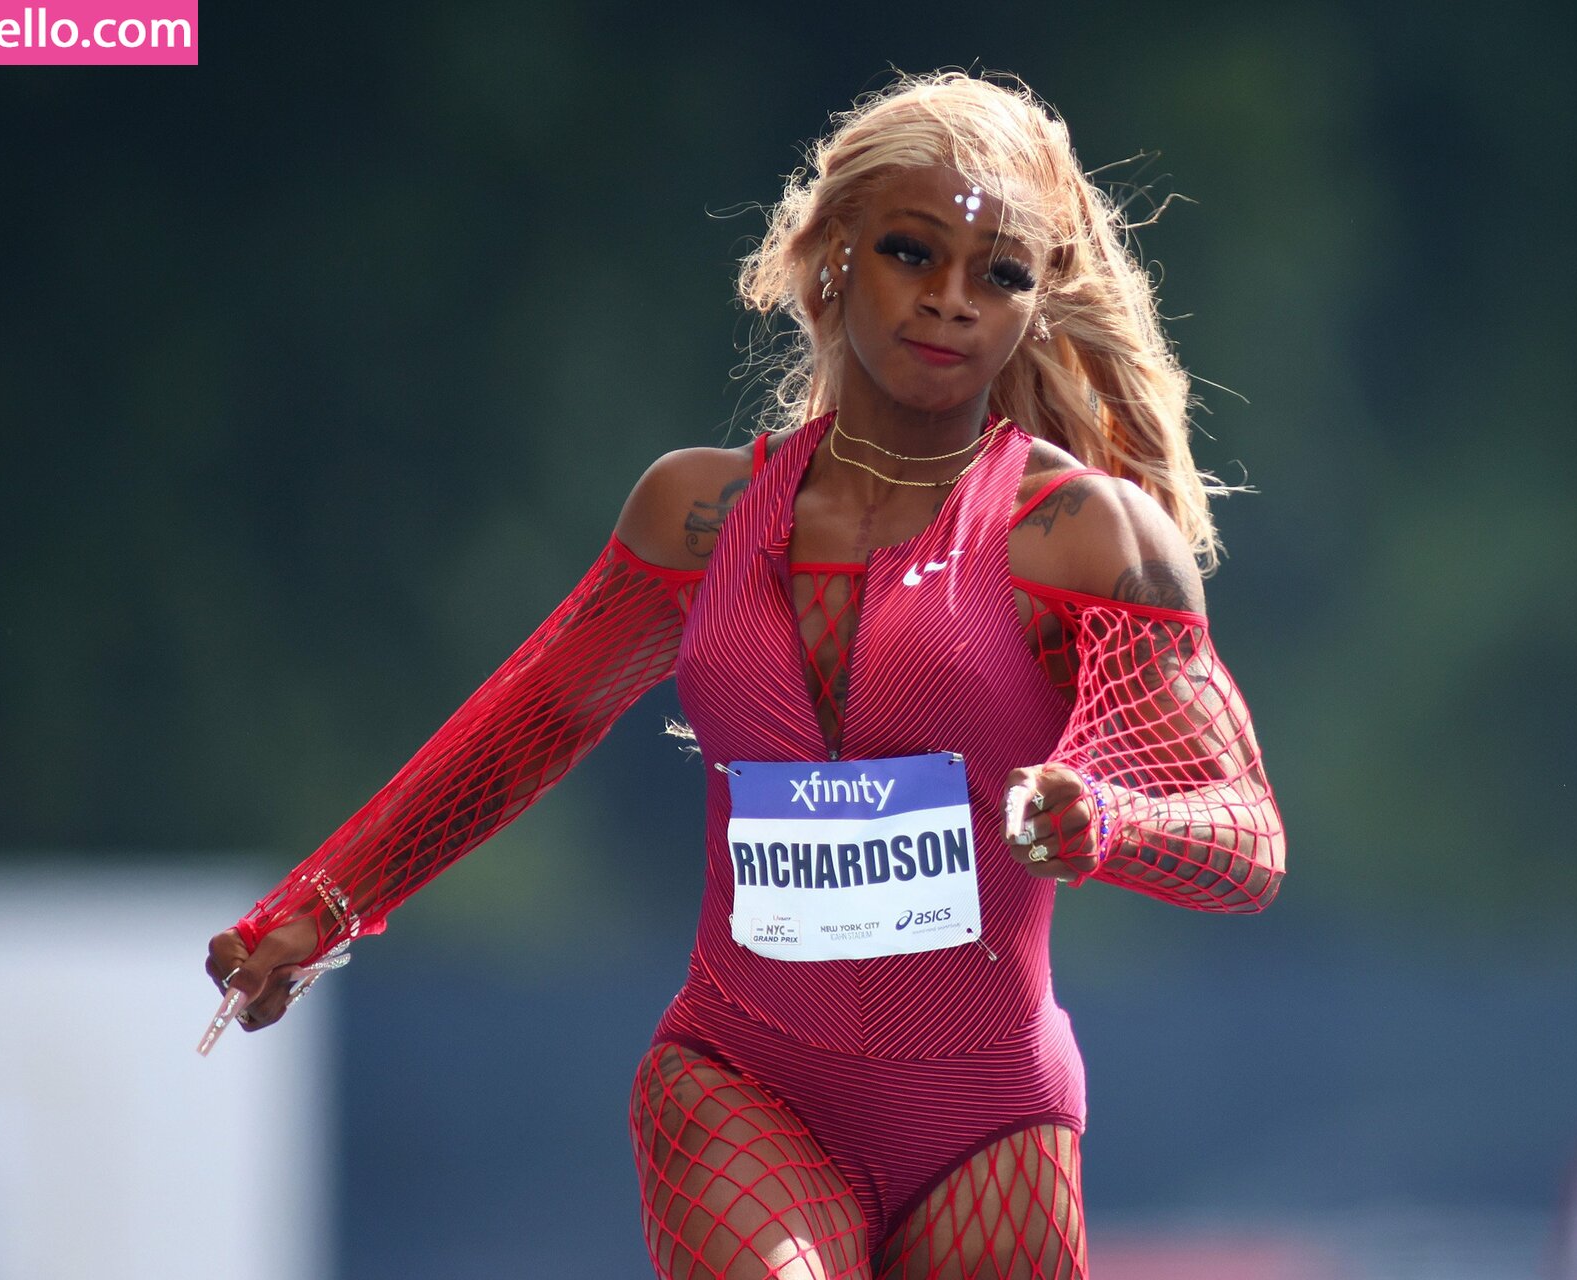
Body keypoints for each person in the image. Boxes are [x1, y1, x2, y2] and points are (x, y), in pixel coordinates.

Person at [204, 69, 1286, 1280]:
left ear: (1038, 302)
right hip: (742, 1083)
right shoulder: (694, 515)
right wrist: (323, 904)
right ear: (832, 253)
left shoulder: (1084, 538)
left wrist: (1112, 821)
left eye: (999, 274)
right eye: (912, 252)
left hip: (992, 1122)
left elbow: (1248, 838)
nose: (951, 299)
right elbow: (530, 724)